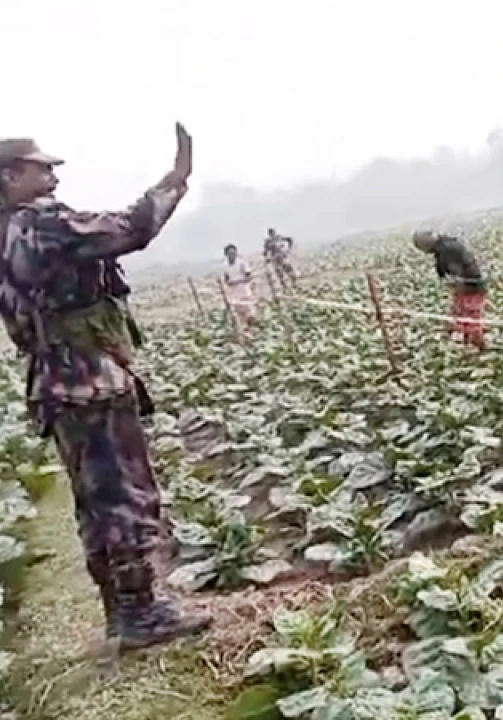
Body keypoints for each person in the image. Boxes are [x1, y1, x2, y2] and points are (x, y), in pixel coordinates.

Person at [0, 126, 212, 649]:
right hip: (88, 378)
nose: (52, 176)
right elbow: (130, 228)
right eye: (40, 168)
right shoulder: (40, 224)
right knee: (124, 494)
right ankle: (142, 614)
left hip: (54, 382)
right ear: (8, 177)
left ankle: (120, 611)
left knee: (94, 499)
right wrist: (176, 180)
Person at [412, 229, 487, 350]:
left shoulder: (446, 249)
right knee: (462, 316)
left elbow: (457, 271)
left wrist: (455, 282)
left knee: (470, 316)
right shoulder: (445, 245)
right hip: (468, 286)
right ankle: (468, 344)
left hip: (470, 287)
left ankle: (477, 345)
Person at [222, 244, 258, 330]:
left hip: (244, 289)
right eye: (230, 254)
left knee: (249, 311)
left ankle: (253, 327)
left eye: (233, 253)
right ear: (226, 255)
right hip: (233, 291)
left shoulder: (242, 263)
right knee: (238, 312)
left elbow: (249, 276)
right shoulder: (226, 266)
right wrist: (230, 283)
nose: (232, 255)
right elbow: (226, 279)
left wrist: (239, 281)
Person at [262, 228, 297, 292]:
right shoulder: (268, 241)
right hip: (275, 258)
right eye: (271, 233)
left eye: (272, 233)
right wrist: (266, 258)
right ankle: (285, 288)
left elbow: (289, 239)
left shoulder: (279, 237)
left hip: (283, 256)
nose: (272, 234)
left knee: (290, 270)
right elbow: (265, 251)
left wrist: (289, 249)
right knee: (280, 274)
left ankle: (294, 284)